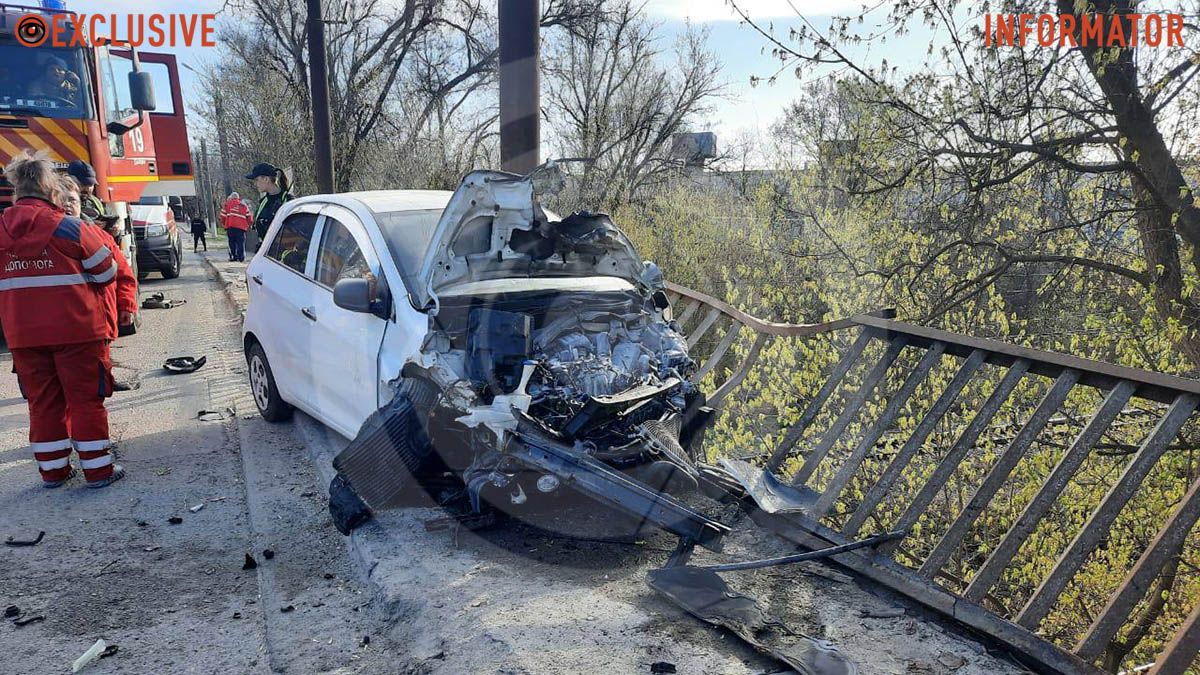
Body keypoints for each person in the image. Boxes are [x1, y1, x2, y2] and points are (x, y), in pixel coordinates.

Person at [0, 150, 123, 488]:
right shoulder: (68, 228)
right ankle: (98, 472)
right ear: (51, 191)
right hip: (78, 330)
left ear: (17, 190)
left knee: (43, 404)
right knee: (85, 401)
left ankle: (53, 472)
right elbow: (107, 270)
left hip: (24, 336)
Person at [55, 174, 136, 343]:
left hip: (97, 327)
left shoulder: (99, 237)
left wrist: (126, 305)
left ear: (80, 203)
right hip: (60, 330)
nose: (67, 205)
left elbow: (124, 275)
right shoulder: (44, 239)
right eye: (61, 200)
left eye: (72, 200)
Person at [245, 162, 292, 241]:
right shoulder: (263, 202)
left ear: (266, 179)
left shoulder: (288, 200)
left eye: (256, 180)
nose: (255, 184)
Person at [219, 191, 251, 262]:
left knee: (232, 242)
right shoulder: (244, 206)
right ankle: (241, 257)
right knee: (240, 242)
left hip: (230, 227)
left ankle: (234, 256)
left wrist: (225, 224)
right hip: (241, 228)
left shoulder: (227, 205)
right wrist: (248, 225)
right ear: (238, 198)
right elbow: (249, 217)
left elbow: (222, 216)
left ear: (231, 197)